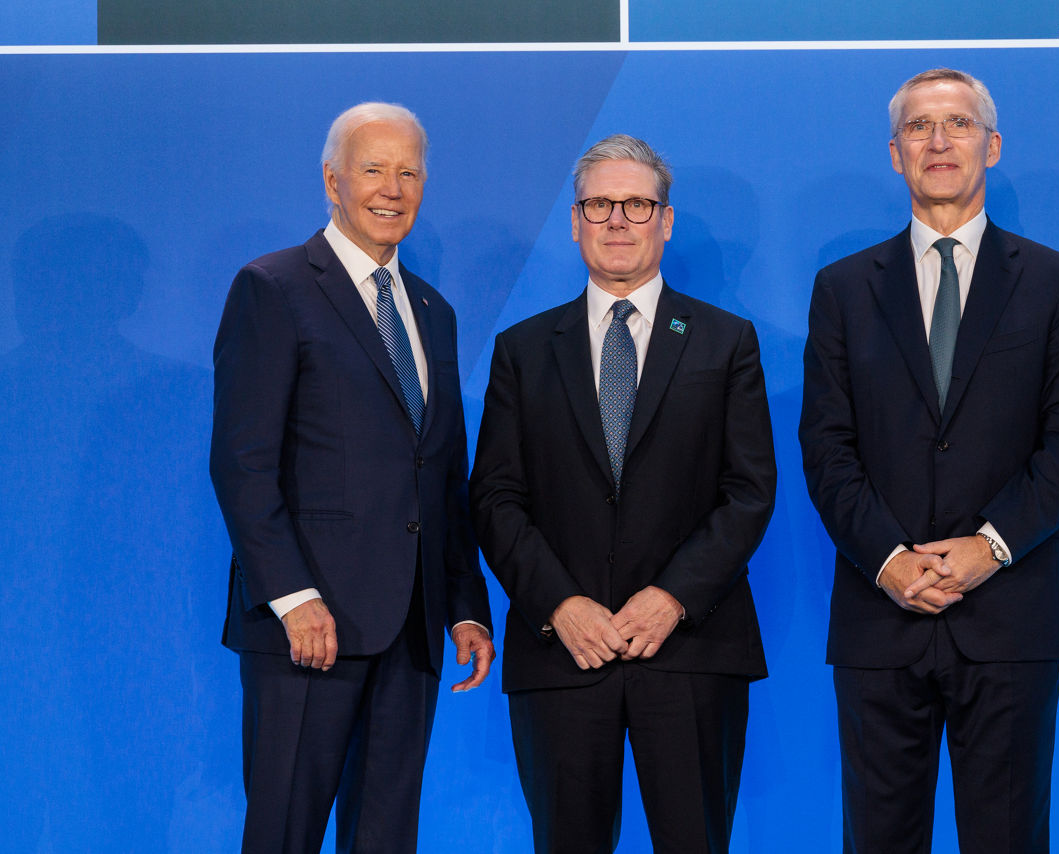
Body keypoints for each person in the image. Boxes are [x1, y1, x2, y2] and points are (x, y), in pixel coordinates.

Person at [799, 69, 1059, 853]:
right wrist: (889, 560)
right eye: (920, 128)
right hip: (880, 614)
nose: (939, 142)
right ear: (895, 154)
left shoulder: (1055, 282)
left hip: (1012, 613)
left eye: (959, 124)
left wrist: (990, 547)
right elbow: (825, 447)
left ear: (991, 146)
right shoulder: (841, 289)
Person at [469, 134, 775, 854]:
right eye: (599, 204)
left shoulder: (726, 341)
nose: (616, 220)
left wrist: (670, 597)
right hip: (563, 653)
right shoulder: (522, 348)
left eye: (636, 204)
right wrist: (560, 604)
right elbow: (495, 497)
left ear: (665, 221)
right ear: (574, 221)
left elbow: (750, 490)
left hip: (691, 649)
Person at [209, 102, 494, 854]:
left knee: (385, 838)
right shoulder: (272, 288)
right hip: (311, 629)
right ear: (333, 181)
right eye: (374, 169)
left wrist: (465, 603)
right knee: (285, 834)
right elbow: (242, 463)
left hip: (412, 629)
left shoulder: (434, 310)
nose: (392, 188)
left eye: (409, 172)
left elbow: (441, 474)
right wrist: (293, 598)